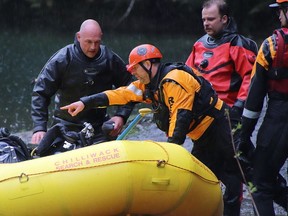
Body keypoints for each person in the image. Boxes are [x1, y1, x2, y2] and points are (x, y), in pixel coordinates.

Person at [61, 44, 245, 214]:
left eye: (135, 69)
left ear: (147, 64)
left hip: (224, 128)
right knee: (202, 180)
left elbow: (180, 119)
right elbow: (121, 94)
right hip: (204, 137)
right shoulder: (149, 85)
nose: (134, 74)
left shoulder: (174, 79)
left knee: (249, 175)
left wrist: (169, 154)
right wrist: (85, 103)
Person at [185, 0, 258, 215]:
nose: (206, 23)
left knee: (235, 171)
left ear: (224, 19)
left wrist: (238, 107)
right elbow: (186, 76)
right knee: (199, 170)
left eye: (211, 19)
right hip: (203, 120)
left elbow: (250, 78)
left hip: (228, 118)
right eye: (204, 20)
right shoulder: (199, 44)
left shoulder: (237, 45)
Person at [31, 19, 134, 155]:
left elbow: (131, 87)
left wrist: (121, 116)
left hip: (99, 125)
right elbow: (40, 93)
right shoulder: (62, 59)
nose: (93, 47)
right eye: (88, 42)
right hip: (65, 125)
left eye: (97, 42)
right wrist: (39, 128)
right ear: (78, 37)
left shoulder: (109, 59)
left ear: (101, 37)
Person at [240, 0, 288, 215]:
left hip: (280, 118)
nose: (278, 16)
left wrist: (244, 134)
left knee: (261, 187)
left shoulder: (272, 45)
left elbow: (254, 98)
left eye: (281, 11)